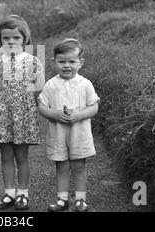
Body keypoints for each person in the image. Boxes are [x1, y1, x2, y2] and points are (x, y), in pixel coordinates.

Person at [0, 15, 45, 210]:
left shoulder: (32, 61)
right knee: (5, 155)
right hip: (3, 114)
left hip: (24, 114)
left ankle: (23, 193)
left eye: (16, 38)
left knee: (22, 156)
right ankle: (8, 193)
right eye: (6, 38)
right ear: (0, 40)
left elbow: (39, 89)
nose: (11, 42)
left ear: (25, 39)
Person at [38, 38, 100, 212]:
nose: (67, 65)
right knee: (62, 166)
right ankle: (62, 199)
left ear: (81, 63)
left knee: (79, 166)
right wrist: (55, 114)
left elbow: (94, 106)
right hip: (58, 135)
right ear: (54, 62)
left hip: (79, 134)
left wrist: (79, 115)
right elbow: (42, 107)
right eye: (62, 61)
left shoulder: (85, 84)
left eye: (72, 62)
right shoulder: (51, 85)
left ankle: (80, 199)